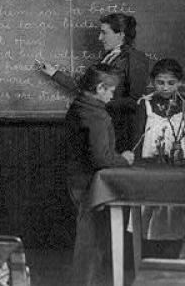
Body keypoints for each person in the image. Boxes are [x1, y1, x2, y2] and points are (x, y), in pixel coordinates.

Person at [38, 13, 149, 153]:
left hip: (116, 130)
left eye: (104, 33)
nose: (99, 38)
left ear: (120, 35)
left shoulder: (135, 59)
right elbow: (85, 87)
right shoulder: (107, 57)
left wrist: (99, 103)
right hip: (95, 126)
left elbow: (134, 100)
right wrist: (54, 73)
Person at [66, 64, 135, 286]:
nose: (113, 95)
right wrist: (124, 159)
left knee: (89, 237)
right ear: (100, 87)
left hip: (76, 179)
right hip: (90, 184)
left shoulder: (78, 106)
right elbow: (102, 159)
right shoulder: (97, 116)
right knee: (91, 240)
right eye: (111, 90)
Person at [135, 58, 185, 250]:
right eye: (160, 83)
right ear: (152, 82)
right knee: (153, 204)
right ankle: (150, 250)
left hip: (181, 168)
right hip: (153, 168)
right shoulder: (146, 105)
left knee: (179, 205)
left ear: (180, 82)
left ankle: (179, 249)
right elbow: (138, 139)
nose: (166, 88)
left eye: (171, 83)